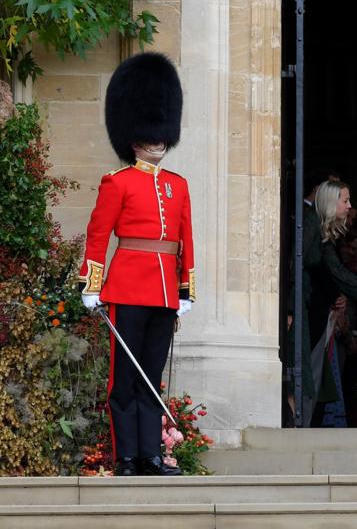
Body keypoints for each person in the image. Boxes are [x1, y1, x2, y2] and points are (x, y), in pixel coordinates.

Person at [78, 52, 193, 476]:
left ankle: (150, 455)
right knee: (124, 380)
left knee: (150, 377)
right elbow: (97, 234)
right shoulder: (117, 183)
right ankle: (126, 456)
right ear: (134, 137)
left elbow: (186, 244)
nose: (157, 142)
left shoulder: (178, 187)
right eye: (149, 136)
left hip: (164, 292)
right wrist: (92, 283)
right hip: (126, 286)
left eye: (161, 134)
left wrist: (186, 291)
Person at [288, 180, 357, 427]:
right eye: (345, 200)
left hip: (316, 308)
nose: (349, 206)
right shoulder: (309, 224)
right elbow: (295, 266)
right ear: (330, 202)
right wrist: (289, 308)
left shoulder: (321, 229)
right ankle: (297, 426)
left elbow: (335, 269)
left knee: (313, 370)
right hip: (306, 309)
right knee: (305, 369)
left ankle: (302, 425)